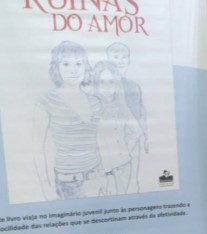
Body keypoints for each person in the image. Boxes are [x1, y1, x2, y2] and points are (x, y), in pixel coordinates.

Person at [32, 41, 105, 200]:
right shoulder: (46, 100)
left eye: (79, 63)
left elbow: (99, 142)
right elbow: (38, 148)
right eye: (66, 64)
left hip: (98, 177)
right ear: (56, 68)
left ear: (85, 67)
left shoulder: (95, 101)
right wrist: (46, 188)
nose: (73, 69)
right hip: (69, 184)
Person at [92, 61, 143, 195]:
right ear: (96, 83)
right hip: (101, 168)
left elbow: (137, 131)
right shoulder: (91, 105)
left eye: (111, 82)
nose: (107, 86)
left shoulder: (121, 106)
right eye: (102, 82)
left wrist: (125, 149)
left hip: (123, 166)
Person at [106, 42, 149, 157]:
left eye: (124, 57)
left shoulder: (134, 85)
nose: (121, 60)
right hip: (116, 141)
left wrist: (146, 134)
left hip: (136, 139)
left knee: (134, 173)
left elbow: (141, 110)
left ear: (129, 61)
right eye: (116, 57)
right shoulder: (106, 87)